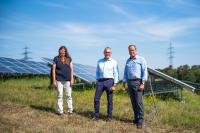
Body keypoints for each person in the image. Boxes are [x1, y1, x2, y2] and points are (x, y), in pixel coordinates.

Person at [123, 44, 148, 129]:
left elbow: (145, 71)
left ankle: (140, 120)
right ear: (128, 51)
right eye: (130, 50)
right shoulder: (128, 61)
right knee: (133, 102)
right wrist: (124, 83)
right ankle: (136, 118)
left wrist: (143, 83)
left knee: (138, 102)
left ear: (136, 50)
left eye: (133, 50)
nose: (131, 52)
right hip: (130, 83)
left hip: (138, 83)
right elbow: (125, 73)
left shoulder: (141, 59)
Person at [93, 47, 119, 121]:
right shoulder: (99, 61)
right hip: (100, 81)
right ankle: (96, 116)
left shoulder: (114, 62)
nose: (107, 53)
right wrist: (97, 80)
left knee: (109, 100)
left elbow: (116, 74)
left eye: (109, 52)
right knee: (96, 99)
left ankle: (109, 116)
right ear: (104, 53)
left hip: (109, 81)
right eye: (106, 52)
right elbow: (97, 72)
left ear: (111, 53)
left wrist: (114, 85)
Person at [52, 46, 74, 115]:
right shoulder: (56, 59)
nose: (62, 52)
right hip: (59, 80)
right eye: (61, 51)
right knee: (60, 95)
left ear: (65, 52)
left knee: (69, 95)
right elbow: (53, 70)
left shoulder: (69, 59)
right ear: (59, 51)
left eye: (64, 51)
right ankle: (60, 111)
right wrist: (54, 80)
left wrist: (72, 79)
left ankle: (70, 110)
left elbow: (72, 70)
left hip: (68, 80)